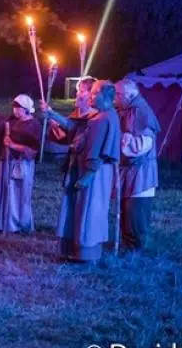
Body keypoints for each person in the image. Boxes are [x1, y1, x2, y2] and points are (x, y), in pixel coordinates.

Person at [44, 80, 121, 263]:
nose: (90, 97)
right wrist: (52, 114)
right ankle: (75, 251)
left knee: (89, 210)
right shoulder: (99, 116)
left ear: (103, 96)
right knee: (81, 209)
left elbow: (95, 149)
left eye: (93, 94)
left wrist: (88, 175)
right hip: (87, 170)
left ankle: (87, 254)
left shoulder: (103, 119)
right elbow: (75, 128)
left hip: (94, 173)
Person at [115, 79, 161, 252]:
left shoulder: (140, 112)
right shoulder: (127, 110)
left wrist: (120, 139)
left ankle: (135, 251)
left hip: (141, 172)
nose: (115, 99)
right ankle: (128, 246)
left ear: (129, 94)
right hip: (130, 171)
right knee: (127, 213)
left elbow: (140, 146)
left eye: (118, 95)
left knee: (135, 214)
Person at [0, 95, 42, 233]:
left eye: (18, 108)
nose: (15, 111)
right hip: (6, 161)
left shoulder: (34, 124)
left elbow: (33, 148)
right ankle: (2, 222)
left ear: (26, 109)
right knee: (5, 191)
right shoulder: (11, 121)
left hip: (22, 163)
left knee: (19, 193)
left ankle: (19, 224)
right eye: (14, 107)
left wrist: (13, 145)